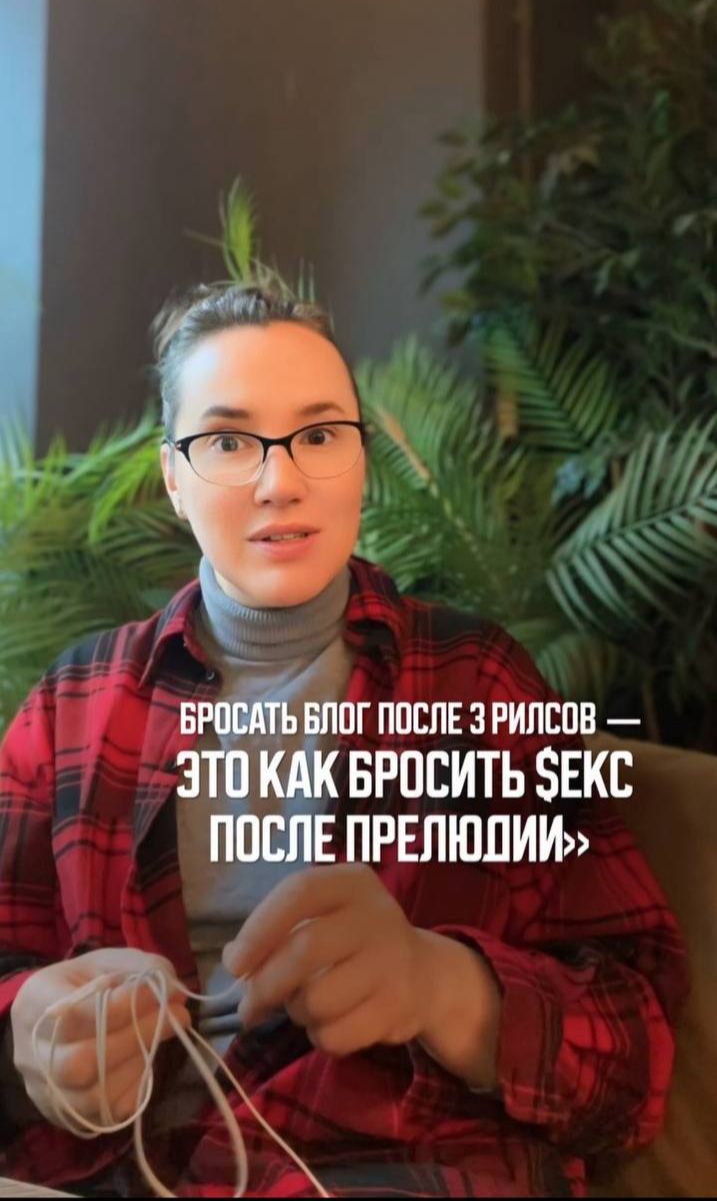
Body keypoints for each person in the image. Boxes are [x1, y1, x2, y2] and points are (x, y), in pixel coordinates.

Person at [0, 283, 689, 1198]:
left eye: (319, 434)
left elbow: (634, 1055)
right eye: (228, 441)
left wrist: (441, 986)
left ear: (359, 460)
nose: (280, 481)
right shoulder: (72, 703)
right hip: (113, 1173)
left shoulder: (474, 682)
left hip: (389, 1170)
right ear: (172, 476)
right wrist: (26, 1033)